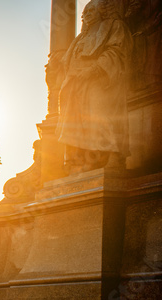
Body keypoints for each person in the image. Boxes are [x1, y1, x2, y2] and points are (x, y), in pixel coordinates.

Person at [56, 0, 132, 174]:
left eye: (91, 10)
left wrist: (94, 70)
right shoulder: (80, 37)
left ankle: (113, 156)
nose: (86, 14)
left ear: (102, 11)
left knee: (102, 115)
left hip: (102, 80)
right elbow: (67, 62)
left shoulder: (114, 26)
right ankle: (81, 159)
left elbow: (117, 51)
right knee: (75, 121)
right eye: (85, 12)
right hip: (76, 84)